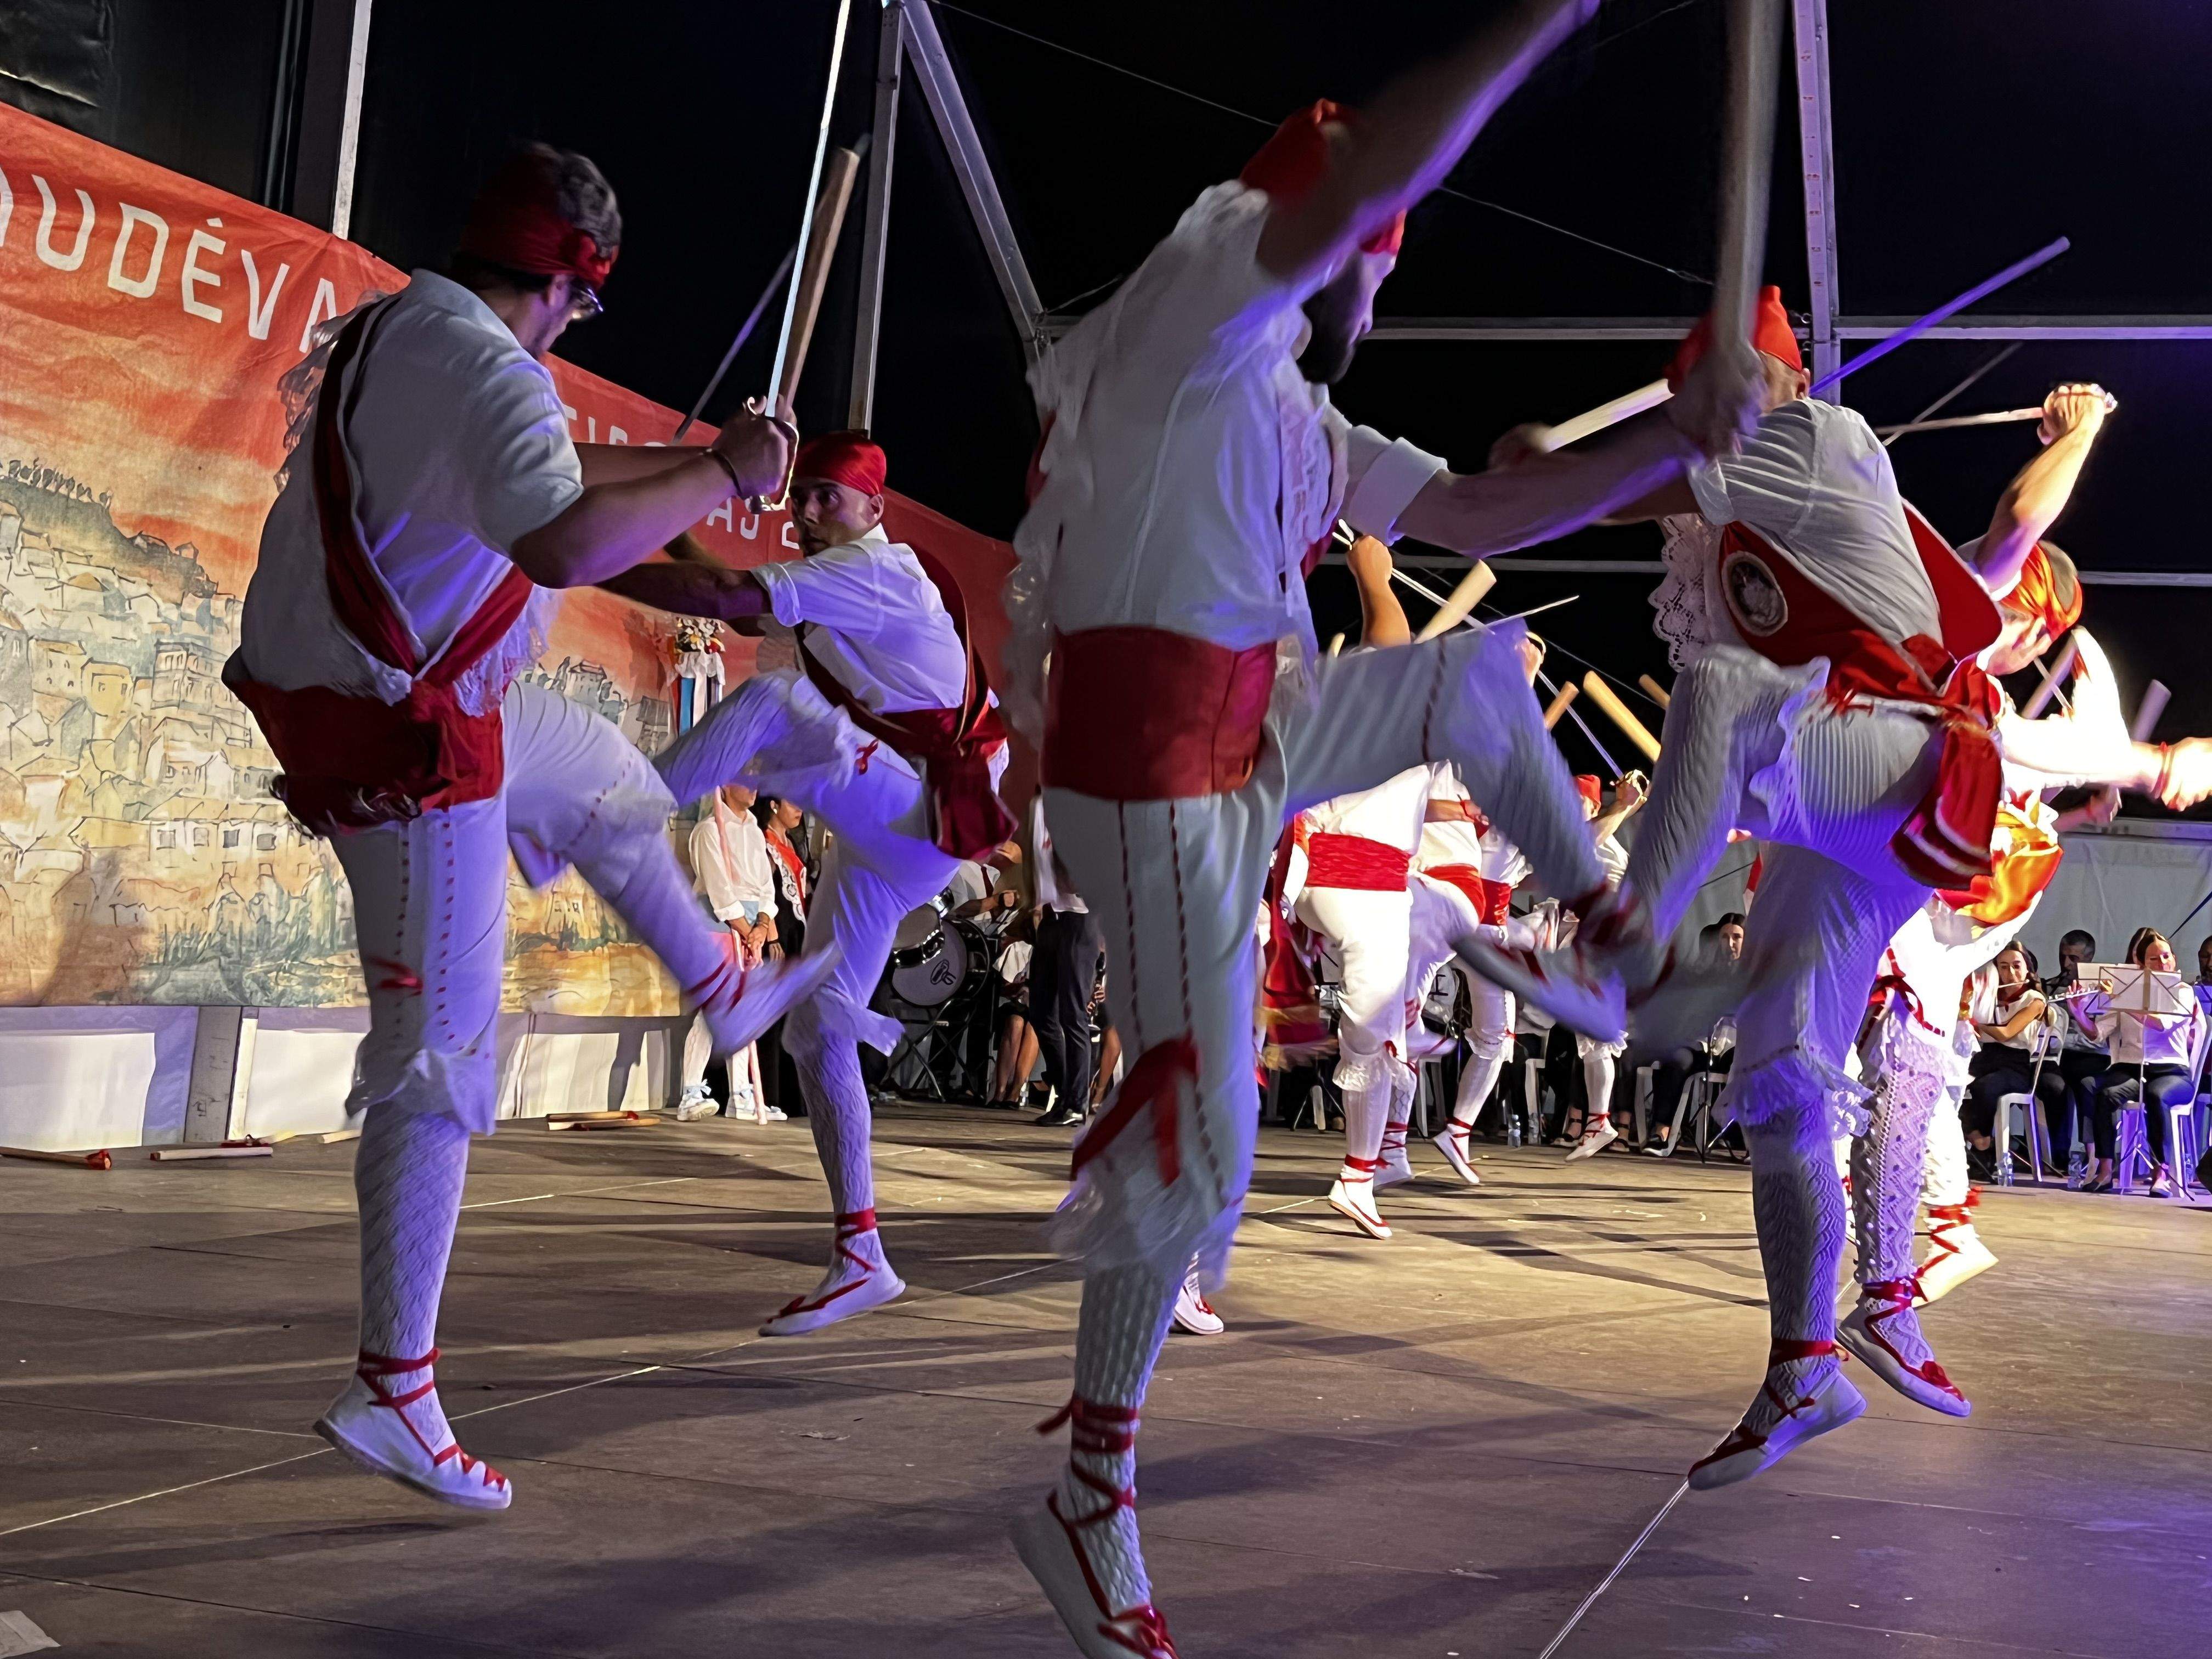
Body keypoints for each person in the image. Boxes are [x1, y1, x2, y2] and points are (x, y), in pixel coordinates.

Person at [999, 7, 1769, 1645]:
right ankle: (1088, 1499)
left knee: (1473, 679)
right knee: (1197, 1140)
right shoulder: (1207, 295)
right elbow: (1349, 191)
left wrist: (1678, 457)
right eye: (1377, 263)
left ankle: (1620, 943)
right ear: (1332, 245)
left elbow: (1488, 511)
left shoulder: (1293, 412)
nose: (1382, 289)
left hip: (1242, 742)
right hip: (1146, 754)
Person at [222, 145, 825, 1510]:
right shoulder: (479, 368)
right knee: (438, 1056)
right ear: (560, 286)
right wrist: (725, 465)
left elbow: (563, 475)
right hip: (409, 741)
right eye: (579, 309)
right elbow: (556, 536)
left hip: (431, 708)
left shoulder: (405, 328)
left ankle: (727, 988)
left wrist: (703, 533)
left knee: (611, 782)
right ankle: (395, 1389)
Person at [607, 431, 1014, 1339]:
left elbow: (725, 596)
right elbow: (753, 613)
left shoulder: (878, 571)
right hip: (886, 836)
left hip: (925, 814)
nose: (812, 509)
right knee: (817, 1028)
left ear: (873, 508)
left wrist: (576, 549)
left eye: (831, 496)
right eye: (807, 495)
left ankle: (613, 814)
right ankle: (861, 1250)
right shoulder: (835, 588)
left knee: (778, 706)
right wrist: (678, 517)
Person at [676, 785, 784, 1122]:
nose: (754, 788)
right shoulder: (709, 831)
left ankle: (741, 1094)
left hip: (751, 927)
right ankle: (690, 1093)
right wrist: (746, 929)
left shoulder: (755, 831)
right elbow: (720, 892)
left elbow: (767, 890)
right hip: (718, 927)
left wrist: (762, 927)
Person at [2078, 928, 2208, 1195]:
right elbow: (2097, 1034)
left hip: (2172, 1072)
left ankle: (2161, 1172)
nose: (2162, 964)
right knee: (2103, 1092)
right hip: (2130, 1069)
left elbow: (2159, 1024)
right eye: (2154, 959)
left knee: (2156, 1094)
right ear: (2141, 963)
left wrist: (2121, 1000)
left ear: (2173, 958)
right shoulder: (2125, 992)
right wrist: (2079, 1013)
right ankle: (2104, 1171)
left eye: (2166, 956)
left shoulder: (2182, 992)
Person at [1563, 770, 1646, 1160]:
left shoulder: (1598, 835)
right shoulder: (1590, 833)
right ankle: (1598, 1121)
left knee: (1597, 1036)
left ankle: (1600, 1121)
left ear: (1593, 805)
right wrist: (1626, 803)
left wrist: (1625, 801)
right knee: (1592, 1040)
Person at [1031, 797, 1107, 1130]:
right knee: (1040, 1011)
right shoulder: (1040, 803)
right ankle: (1067, 1093)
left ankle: (1076, 1103)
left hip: (1080, 917)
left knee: (1073, 1014)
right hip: (1051, 916)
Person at [1960, 943, 2062, 1173]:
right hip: (1983, 1058)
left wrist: (1974, 1024)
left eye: (2017, 966)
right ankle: (1980, 1141)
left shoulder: (2035, 1000)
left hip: (2015, 1065)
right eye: (2003, 967)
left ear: (2028, 969)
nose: (2011, 973)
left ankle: (1982, 1139)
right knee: (1948, 1085)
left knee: (1985, 1087)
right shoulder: (1986, 994)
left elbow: (2007, 1033)